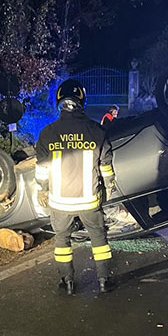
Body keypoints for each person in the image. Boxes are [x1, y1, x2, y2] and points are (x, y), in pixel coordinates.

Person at [35, 80, 115, 294]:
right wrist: (109, 186)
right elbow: (106, 165)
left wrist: (42, 189)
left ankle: (68, 283)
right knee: (98, 238)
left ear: (59, 101)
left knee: (62, 239)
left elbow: (42, 169)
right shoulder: (97, 131)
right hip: (89, 200)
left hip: (60, 202)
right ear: (82, 101)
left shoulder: (47, 133)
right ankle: (104, 280)